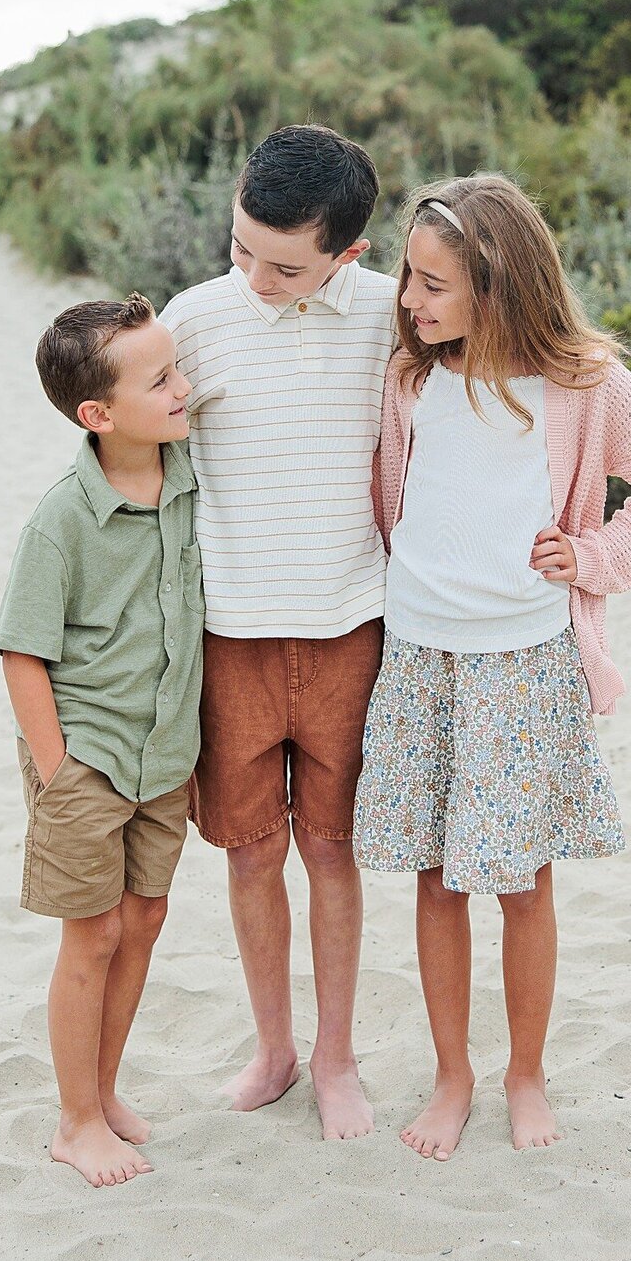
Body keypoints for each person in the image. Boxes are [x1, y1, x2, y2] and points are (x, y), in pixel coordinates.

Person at [354, 175, 631, 1160]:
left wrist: (590, 557)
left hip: (523, 662)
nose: (411, 302)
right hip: (422, 658)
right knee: (434, 878)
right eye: (407, 281)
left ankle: (524, 1073)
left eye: (433, 285)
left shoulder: (580, 382)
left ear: (498, 283)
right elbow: (395, 502)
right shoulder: (411, 380)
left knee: (521, 882)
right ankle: (451, 1075)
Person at [158, 125, 396, 1140]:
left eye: (284, 264)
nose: (253, 276)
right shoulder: (196, 317)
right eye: (239, 246)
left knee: (332, 850)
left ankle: (338, 1060)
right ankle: (274, 1049)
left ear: (347, 253)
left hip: (353, 629)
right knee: (251, 854)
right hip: (232, 639)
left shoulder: (396, 318)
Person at [0, 294, 202, 1187]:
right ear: (99, 416)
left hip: (166, 753)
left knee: (145, 921)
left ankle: (104, 1089)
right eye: (163, 380)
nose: (186, 389)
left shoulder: (187, 475)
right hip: (87, 758)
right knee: (95, 934)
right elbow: (21, 654)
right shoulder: (62, 521)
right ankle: (76, 1120)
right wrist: (59, 771)